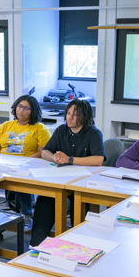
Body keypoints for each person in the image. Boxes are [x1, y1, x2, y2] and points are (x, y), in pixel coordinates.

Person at [30, 99, 105, 246]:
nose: (69, 117)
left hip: (84, 184)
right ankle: (36, 246)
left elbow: (98, 160)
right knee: (45, 200)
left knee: (80, 211)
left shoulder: (94, 133)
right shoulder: (61, 130)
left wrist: (69, 159)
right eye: (68, 113)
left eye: (75, 115)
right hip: (59, 180)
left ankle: (77, 247)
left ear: (85, 116)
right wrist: (55, 157)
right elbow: (45, 152)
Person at [0, 95, 51, 226]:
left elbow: (43, 152)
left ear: (33, 111)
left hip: (28, 166)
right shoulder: (5, 126)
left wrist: (24, 162)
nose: (21, 110)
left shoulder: (40, 129)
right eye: (19, 106)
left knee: (19, 177)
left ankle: (27, 214)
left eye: (26, 108)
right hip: (4, 164)